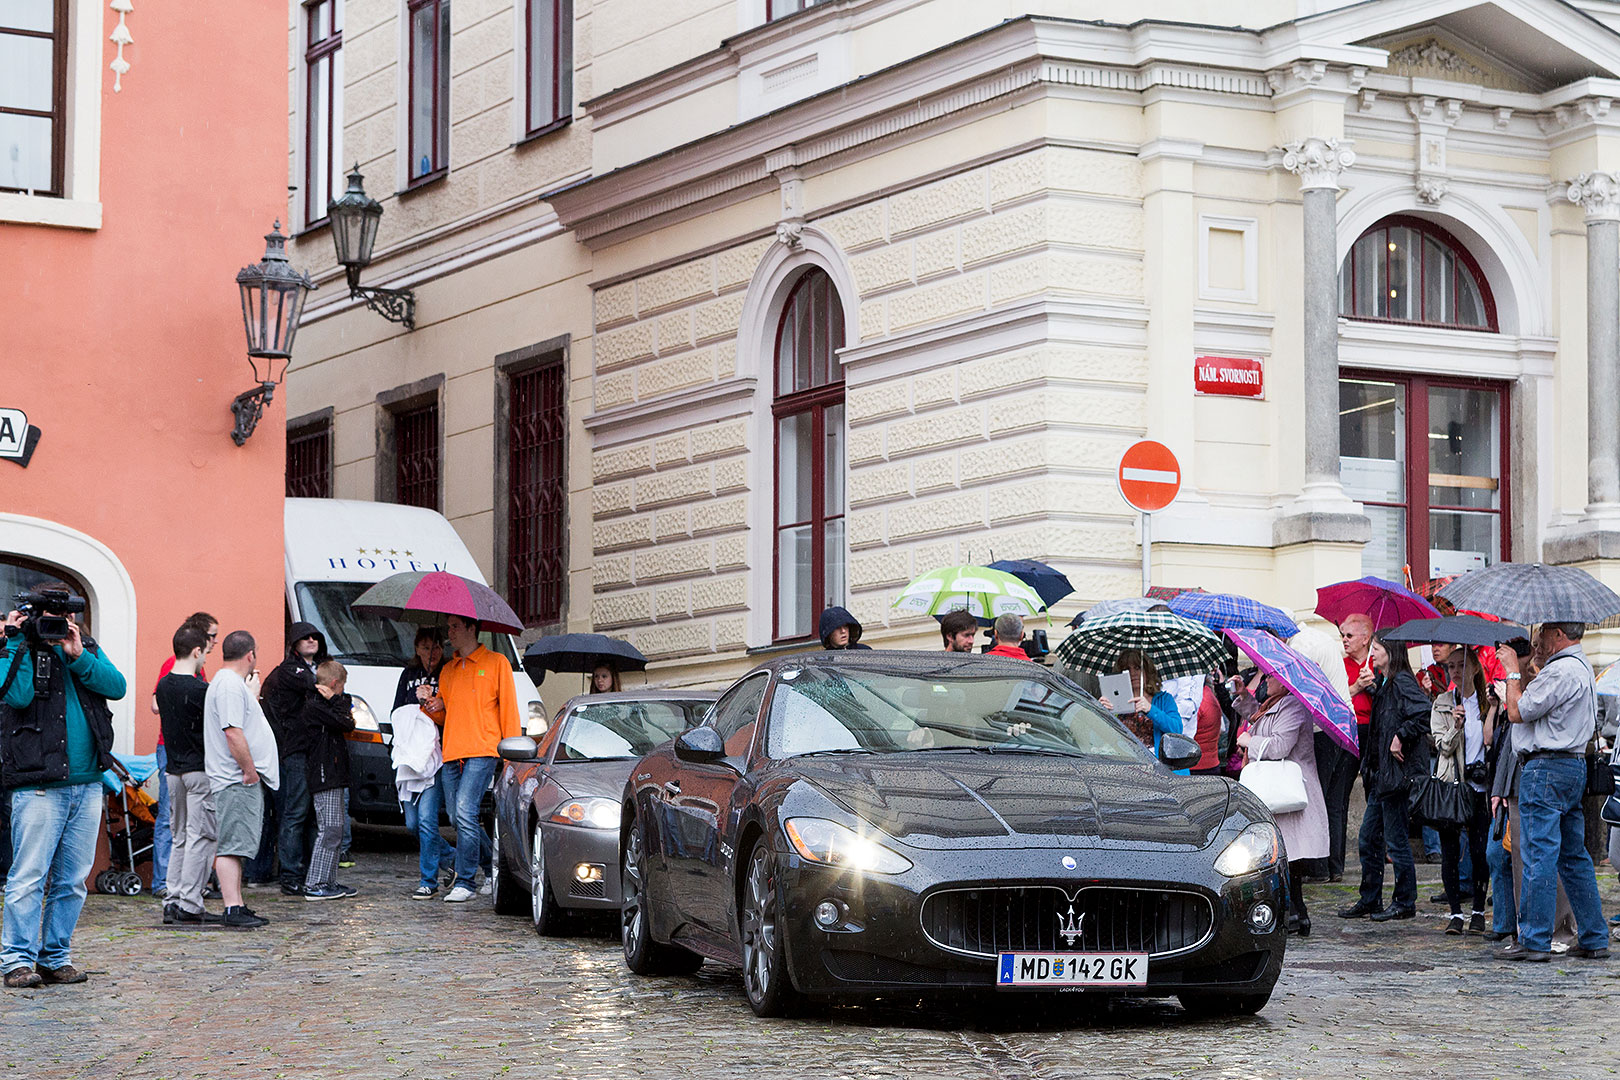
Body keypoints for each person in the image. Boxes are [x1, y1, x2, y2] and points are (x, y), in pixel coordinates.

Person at [1, 594, 127, 989]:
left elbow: (117, 686)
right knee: (29, 877)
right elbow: (16, 695)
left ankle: (55, 957)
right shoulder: (17, 647)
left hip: (87, 783)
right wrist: (14, 640)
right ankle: (16, 962)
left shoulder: (84, 648)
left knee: (73, 879)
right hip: (38, 783)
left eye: (66, 617)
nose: (60, 624)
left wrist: (77, 654)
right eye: (52, 618)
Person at [1493, 622, 1610, 961]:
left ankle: (1534, 939)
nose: (1539, 638)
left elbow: (1517, 712)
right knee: (1572, 856)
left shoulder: (1560, 672)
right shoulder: (1582, 667)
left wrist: (1513, 672)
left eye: (1544, 631)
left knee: (1538, 854)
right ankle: (1593, 935)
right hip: (1571, 766)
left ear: (1559, 634)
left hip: (1546, 768)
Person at [422, 614, 521, 903]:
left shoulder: (496, 662)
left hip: (483, 749)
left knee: (465, 814)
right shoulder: (448, 670)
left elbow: (509, 709)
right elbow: (445, 713)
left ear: (471, 628)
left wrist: (512, 751)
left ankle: (465, 881)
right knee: (456, 818)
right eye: (449, 627)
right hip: (452, 751)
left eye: (454, 626)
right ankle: (493, 867)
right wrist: (431, 705)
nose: (449, 632)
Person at [1340, 631, 1430, 923]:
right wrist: (1373, 688)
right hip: (1381, 776)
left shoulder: (1403, 680)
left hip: (1395, 777)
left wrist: (1400, 737)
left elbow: (1421, 714)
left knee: (1396, 840)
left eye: (1377, 648)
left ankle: (1405, 901)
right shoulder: (1389, 683)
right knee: (1368, 838)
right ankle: (1370, 898)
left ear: (1390, 651)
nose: (1373, 652)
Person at [1237, 676, 1328, 936]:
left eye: (1270, 676)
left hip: (1290, 791)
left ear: (1285, 682)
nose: (1266, 680)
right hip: (1276, 790)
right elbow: (1260, 722)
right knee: (1285, 857)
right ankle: (1295, 913)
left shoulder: (1294, 706)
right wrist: (1244, 697)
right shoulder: (1273, 704)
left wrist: (1248, 743)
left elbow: (1279, 746)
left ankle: (1295, 914)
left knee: (1290, 858)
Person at [203, 631, 280, 930]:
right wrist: (249, 770)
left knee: (236, 843)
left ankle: (237, 904)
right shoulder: (228, 687)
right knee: (232, 844)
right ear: (250, 655)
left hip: (237, 778)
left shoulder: (229, 685)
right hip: (236, 779)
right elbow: (232, 731)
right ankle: (232, 907)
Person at [146, 611, 218, 900]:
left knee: (180, 834)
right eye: (211, 638)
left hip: (175, 765)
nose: (213, 645)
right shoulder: (196, 684)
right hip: (193, 765)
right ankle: (187, 895)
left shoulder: (169, 684)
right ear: (197, 648)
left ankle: (174, 893)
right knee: (197, 834)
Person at [257, 622, 329, 895]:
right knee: (296, 812)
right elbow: (323, 686)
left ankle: (310, 870)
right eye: (305, 637)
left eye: (315, 637)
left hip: (309, 750)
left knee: (310, 814)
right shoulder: (291, 671)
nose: (311, 640)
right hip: (295, 751)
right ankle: (291, 874)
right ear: (295, 644)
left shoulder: (309, 669)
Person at [1431, 645, 1495, 935]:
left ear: (1474, 667)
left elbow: (1491, 742)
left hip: (1480, 788)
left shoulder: (1487, 702)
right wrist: (1456, 726)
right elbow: (1442, 746)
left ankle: (1479, 910)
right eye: (1451, 666)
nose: (1455, 671)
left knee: (1481, 853)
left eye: (1461, 665)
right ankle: (1456, 913)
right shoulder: (1443, 703)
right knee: (1450, 852)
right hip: (1451, 787)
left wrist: (1492, 710)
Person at [1289, 625, 1355, 882]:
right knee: (1336, 802)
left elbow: (1303, 688)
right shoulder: (1320, 637)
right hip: (1343, 724)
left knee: (1318, 799)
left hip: (1323, 728)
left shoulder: (1300, 646)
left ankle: (1318, 867)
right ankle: (1334, 867)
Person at [302, 660, 356, 902]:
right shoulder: (315, 705)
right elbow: (347, 722)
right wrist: (335, 700)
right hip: (325, 773)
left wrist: (336, 701)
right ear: (335, 684)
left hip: (333, 772)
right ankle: (315, 883)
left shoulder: (323, 704)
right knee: (330, 829)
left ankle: (329, 880)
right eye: (342, 686)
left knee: (335, 828)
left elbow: (345, 712)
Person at [1099, 649, 1182, 764]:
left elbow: (1177, 729)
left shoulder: (1164, 699)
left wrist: (1150, 710)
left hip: (1159, 766)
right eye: (1127, 669)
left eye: (1138, 668)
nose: (1133, 673)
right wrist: (1100, 713)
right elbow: (1100, 739)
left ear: (1147, 672)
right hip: (1126, 764)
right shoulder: (1114, 701)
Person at [393, 628, 443, 711]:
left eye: (436, 648)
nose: (431, 653)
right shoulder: (409, 673)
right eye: (426, 648)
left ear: (442, 649)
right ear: (417, 650)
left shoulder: (448, 672)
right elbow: (397, 708)